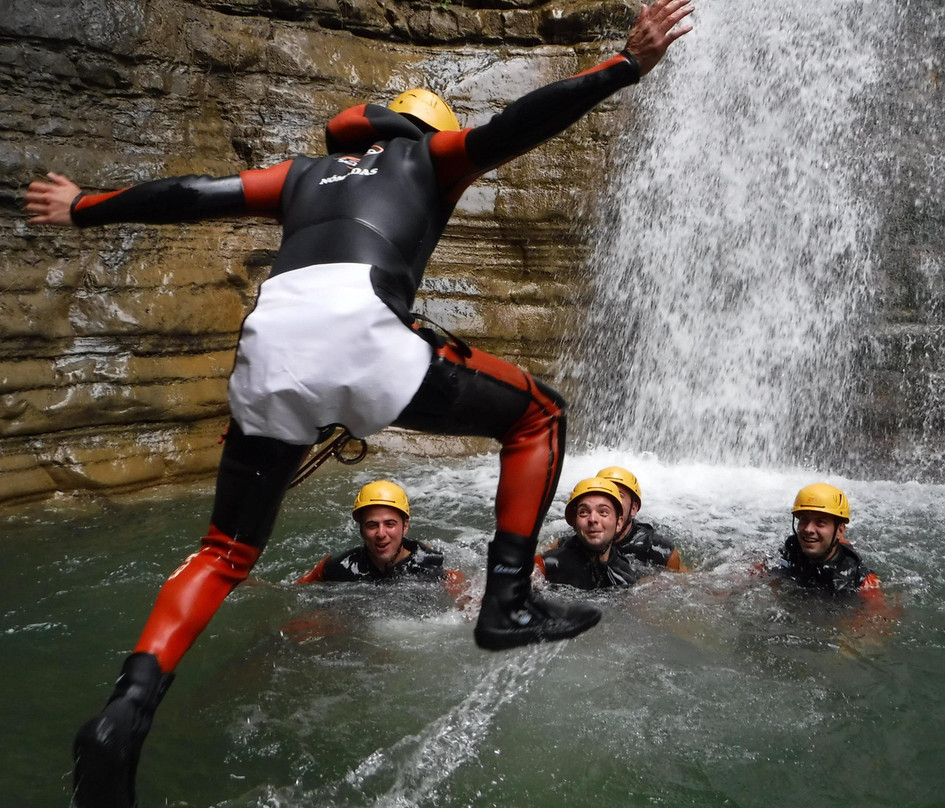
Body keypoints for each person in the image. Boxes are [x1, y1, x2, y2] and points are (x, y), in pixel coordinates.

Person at [24, 2, 694, 805]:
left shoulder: (303, 175)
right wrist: (624, 66)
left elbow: (190, 195)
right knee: (538, 416)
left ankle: (126, 711)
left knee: (225, 552)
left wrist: (83, 206)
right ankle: (507, 603)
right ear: (424, 131)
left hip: (270, 347)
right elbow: (517, 126)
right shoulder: (426, 157)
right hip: (365, 330)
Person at [296, 480, 451, 583]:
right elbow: (304, 582)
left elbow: (461, 592)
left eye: (390, 524)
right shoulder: (343, 566)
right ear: (361, 529)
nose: (381, 534)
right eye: (372, 525)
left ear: (404, 527)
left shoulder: (428, 563)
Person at [774, 482, 881, 597]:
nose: (808, 529)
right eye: (804, 520)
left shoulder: (861, 581)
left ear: (840, 531)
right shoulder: (788, 551)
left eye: (820, 522)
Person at [536, 477, 638, 589]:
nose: (593, 519)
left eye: (603, 512)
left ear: (619, 523)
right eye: (583, 512)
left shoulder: (626, 577)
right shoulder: (546, 565)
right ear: (574, 523)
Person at [596, 465, 683, 570]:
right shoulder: (577, 544)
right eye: (604, 494)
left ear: (633, 508)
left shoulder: (660, 551)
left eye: (619, 495)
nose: (610, 502)